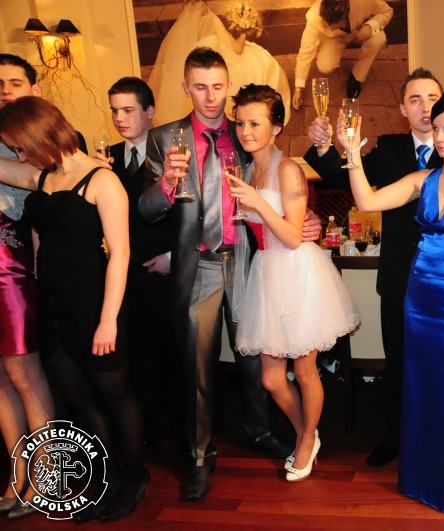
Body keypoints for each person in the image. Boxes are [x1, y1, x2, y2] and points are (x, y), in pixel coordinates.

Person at [139, 47, 320, 501]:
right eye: (200, 87)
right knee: (197, 366)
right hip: (199, 264)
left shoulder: (246, 131)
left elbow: (281, 182)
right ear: (185, 87)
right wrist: (166, 185)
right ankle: (199, 456)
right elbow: (145, 210)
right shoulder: (164, 138)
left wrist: (309, 220)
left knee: (256, 358)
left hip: (248, 261)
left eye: (218, 86)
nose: (210, 96)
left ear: (228, 86)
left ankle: (261, 430)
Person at [304, 68, 444, 468]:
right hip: (400, 277)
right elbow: (349, 182)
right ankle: (396, 436)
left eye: (432, 98)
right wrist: (327, 147)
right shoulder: (389, 150)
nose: (425, 108)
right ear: (402, 109)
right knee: (399, 362)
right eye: (415, 99)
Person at [341, 87, 444, 517]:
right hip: (419, 304)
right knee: (422, 393)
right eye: (437, 129)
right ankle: (423, 481)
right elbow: (367, 201)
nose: (440, 138)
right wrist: (353, 157)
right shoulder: (424, 180)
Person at [0, 96, 147, 522]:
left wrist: (108, 321)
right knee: (80, 399)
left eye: (21, 146)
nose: (19, 156)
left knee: (114, 395)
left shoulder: (103, 181)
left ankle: (134, 477)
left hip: (94, 306)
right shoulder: (42, 176)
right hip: (53, 307)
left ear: (42, 136)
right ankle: (107, 479)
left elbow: (120, 254)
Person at [228, 84, 359, 481]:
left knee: (304, 371)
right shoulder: (247, 170)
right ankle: (308, 432)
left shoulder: (288, 169)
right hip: (267, 273)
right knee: (271, 379)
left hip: (297, 272)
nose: (246, 131)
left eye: (255, 123)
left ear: (276, 127)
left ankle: (304, 442)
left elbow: (291, 235)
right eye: (241, 123)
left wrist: (258, 203)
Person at [106, 77, 178, 445]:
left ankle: (173, 430)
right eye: (115, 111)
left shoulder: (171, 155)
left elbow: (191, 215)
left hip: (165, 272)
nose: (120, 118)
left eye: (128, 110)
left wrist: (173, 257)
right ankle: (143, 431)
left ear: (150, 112)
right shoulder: (106, 158)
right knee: (134, 353)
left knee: (170, 352)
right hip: (123, 274)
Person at [0, 55, 54, 522]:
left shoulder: (35, 138)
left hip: (11, 268)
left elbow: (40, 184)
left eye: (13, 82)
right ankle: (17, 471)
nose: (4, 91)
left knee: (24, 374)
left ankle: (46, 471)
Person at [147, 0, 292, 126]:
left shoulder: (208, 24)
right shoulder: (217, 20)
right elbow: (237, 49)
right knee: (260, 66)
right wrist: (243, 32)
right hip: (226, 54)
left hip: (215, 50)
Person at [292, 0, 394, 108]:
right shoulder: (313, 17)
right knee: (325, 66)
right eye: (326, 24)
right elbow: (305, 53)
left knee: (379, 39)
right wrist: (298, 88)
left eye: (333, 25)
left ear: (345, 16)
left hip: (360, 31)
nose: (330, 28)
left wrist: (371, 26)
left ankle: (357, 77)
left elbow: (387, 11)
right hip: (334, 39)